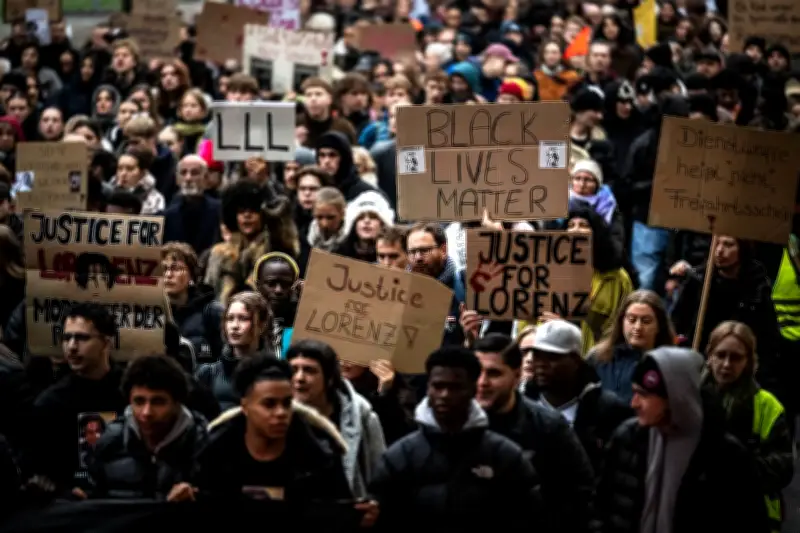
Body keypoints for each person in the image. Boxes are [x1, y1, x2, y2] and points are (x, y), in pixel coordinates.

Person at [593, 347, 771, 533]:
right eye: (634, 392)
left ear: (675, 397)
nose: (634, 403)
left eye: (644, 395)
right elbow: (601, 508)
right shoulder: (627, 439)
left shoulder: (726, 456)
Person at [369, 347, 541, 532]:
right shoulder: (400, 456)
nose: (445, 395)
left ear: (473, 389)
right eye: (438, 386)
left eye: (455, 387)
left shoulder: (505, 457)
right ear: (429, 388)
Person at [194, 355, 379, 527]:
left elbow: (337, 514)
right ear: (245, 407)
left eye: (287, 403)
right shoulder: (214, 454)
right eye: (269, 404)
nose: (281, 413)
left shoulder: (320, 457)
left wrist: (362, 518)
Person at [473, 333, 594, 533]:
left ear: (517, 375)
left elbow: (579, 493)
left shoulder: (549, 427)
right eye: (476, 372)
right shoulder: (452, 424)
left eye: (494, 374)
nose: (482, 382)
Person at [703, 321, 794, 533]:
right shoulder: (691, 398)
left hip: (752, 516)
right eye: (720, 355)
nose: (726, 364)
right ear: (710, 355)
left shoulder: (767, 405)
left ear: (749, 361)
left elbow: (783, 466)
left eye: (735, 358)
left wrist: (739, 469)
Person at [86, 355, 209, 500]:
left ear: (177, 403)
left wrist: (197, 497)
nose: (147, 412)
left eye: (158, 402)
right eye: (139, 401)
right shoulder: (109, 443)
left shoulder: (203, 446)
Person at [287, 340, 386, 498]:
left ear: (330, 378)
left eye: (309, 370)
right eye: (293, 370)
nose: (299, 378)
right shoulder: (276, 416)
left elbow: (381, 477)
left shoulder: (362, 416)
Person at [588, 290, 676, 403]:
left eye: (646, 321)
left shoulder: (670, 365)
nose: (638, 327)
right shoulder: (597, 357)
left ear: (659, 326)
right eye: (631, 319)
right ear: (622, 321)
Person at [195, 292, 273, 410]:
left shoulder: (275, 374)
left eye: (243, 318)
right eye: (230, 319)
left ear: (262, 325)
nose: (234, 326)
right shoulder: (208, 374)